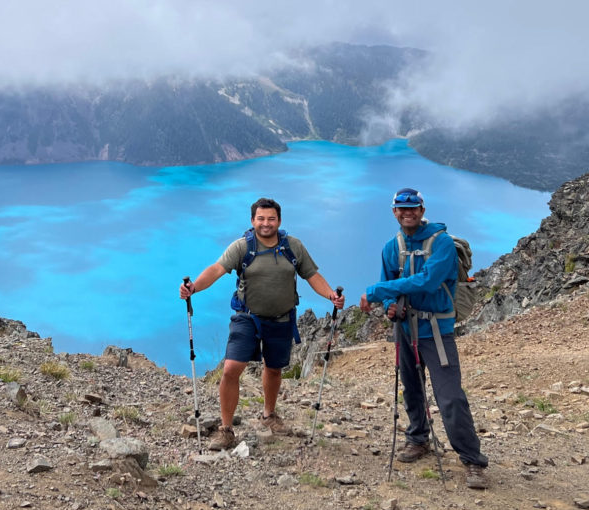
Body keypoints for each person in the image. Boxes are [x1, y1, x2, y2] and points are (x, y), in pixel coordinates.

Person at [179, 197, 345, 450]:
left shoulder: (293, 247)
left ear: (279, 220)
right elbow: (216, 269)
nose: (266, 224)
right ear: (252, 220)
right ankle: (226, 429)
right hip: (247, 317)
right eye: (261, 218)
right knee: (231, 369)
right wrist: (194, 288)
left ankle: (269, 415)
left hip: (282, 318)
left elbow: (311, 274)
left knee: (275, 369)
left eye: (271, 219)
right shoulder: (242, 247)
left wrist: (331, 295)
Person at [359, 187, 490, 490]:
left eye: (413, 208)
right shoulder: (393, 247)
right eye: (402, 209)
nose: (408, 213)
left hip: (436, 331)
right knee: (412, 387)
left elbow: (429, 281)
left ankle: (472, 460)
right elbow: (391, 285)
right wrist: (390, 306)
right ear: (395, 212)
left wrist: (379, 293)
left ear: (421, 209)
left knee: (450, 396)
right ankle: (418, 439)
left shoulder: (441, 243)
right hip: (406, 327)